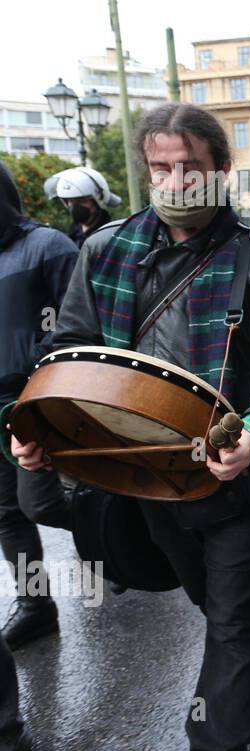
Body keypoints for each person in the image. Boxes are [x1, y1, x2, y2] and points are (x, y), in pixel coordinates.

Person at [12, 103, 250, 751]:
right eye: (162, 167)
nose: (177, 181)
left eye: (191, 167)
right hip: (151, 476)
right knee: (214, 601)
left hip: (244, 478)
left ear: (222, 170)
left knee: (231, 616)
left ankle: (213, 738)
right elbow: (70, 350)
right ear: (146, 170)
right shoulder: (103, 251)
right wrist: (37, 427)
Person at [0, 163, 78, 650]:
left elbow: (76, 323)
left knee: (42, 501)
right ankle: (36, 606)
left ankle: (131, 531)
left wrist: (41, 382)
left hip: (38, 402)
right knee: (7, 513)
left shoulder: (49, 246)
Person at [49, 166, 120, 248]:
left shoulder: (112, 235)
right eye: (70, 200)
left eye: (81, 200)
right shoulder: (69, 237)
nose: (75, 206)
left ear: (97, 200)